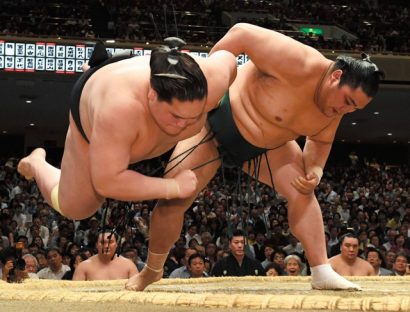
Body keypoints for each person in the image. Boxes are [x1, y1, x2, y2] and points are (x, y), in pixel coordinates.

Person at [126, 23, 384, 291]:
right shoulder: (300, 62)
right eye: (348, 101)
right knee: (173, 200)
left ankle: (321, 271)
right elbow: (241, 33)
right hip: (217, 123)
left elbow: (320, 140)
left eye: (354, 108)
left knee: (303, 192)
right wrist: (213, 79)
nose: (345, 110)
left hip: (268, 149)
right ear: (336, 76)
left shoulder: (333, 109)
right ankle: (152, 271)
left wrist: (315, 172)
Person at [17, 38, 237, 221]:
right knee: (77, 208)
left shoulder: (213, 81)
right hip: (92, 104)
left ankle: (107, 65)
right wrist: (172, 187)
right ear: (152, 95)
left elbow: (229, 56)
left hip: (134, 70)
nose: (183, 125)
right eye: (176, 116)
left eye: (194, 117)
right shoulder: (118, 110)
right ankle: (37, 161)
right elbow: (108, 181)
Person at [73, 231, 137, 280]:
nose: (106, 246)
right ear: (96, 245)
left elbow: (137, 293)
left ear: (116, 244)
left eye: (110, 242)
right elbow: (75, 294)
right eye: (103, 242)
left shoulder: (129, 265)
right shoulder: (83, 267)